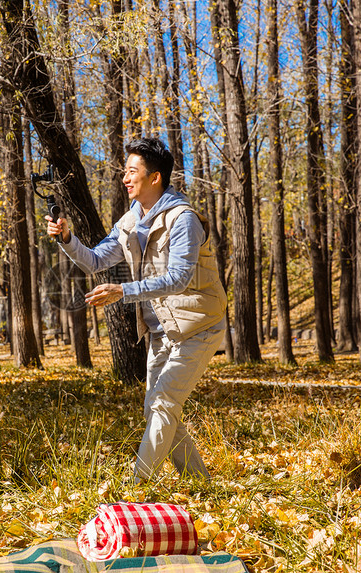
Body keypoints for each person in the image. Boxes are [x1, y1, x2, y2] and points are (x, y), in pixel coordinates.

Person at [46, 138, 227, 483]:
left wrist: (122, 291)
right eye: (125, 172)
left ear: (155, 178)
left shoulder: (183, 219)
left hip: (199, 327)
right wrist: (67, 238)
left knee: (162, 405)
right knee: (157, 409)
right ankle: (201, 483)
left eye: (132, 172)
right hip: (162, 332)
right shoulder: (131, 221)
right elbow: (96, 261)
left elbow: (179, 278)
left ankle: (135, 488)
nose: (125, 179)